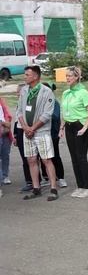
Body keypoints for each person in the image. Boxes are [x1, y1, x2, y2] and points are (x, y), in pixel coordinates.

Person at [17, 66, 58, 201]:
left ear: (35, 76)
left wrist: (33, 128)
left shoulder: (46, 92)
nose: (25, 77)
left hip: (41, 131)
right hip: (27, 132)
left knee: (46, 159)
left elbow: (47, 114)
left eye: (27, 75)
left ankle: (53, 188)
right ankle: (36, 188)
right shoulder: (24, 91)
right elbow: (19, 111)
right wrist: (25, 128)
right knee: (31, 159)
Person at [59, 67, 88, 198]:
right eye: (67, 76)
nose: (68, 78)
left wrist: (85, 127)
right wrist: (62, 127)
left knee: (81, 157)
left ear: (77, 77)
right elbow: (65, 111)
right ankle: (80, 186)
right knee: (74, 158)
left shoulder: (83, 92)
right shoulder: (66, 93)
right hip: (69, 126)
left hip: (80, 125)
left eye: (70, 76)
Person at [42, 82, 66, 189]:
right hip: (42, 133)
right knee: (43, 157)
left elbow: (55, 117)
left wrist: (43, 115)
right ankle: (47, 177)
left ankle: (61, 178)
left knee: (55, 155)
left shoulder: (54, 102)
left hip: (53, 133)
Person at [0, 96, 12, 185]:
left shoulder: (1, 100)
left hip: (5, 132)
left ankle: (5, 175)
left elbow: (7, 114)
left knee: (5, 155)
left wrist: (7, 122)